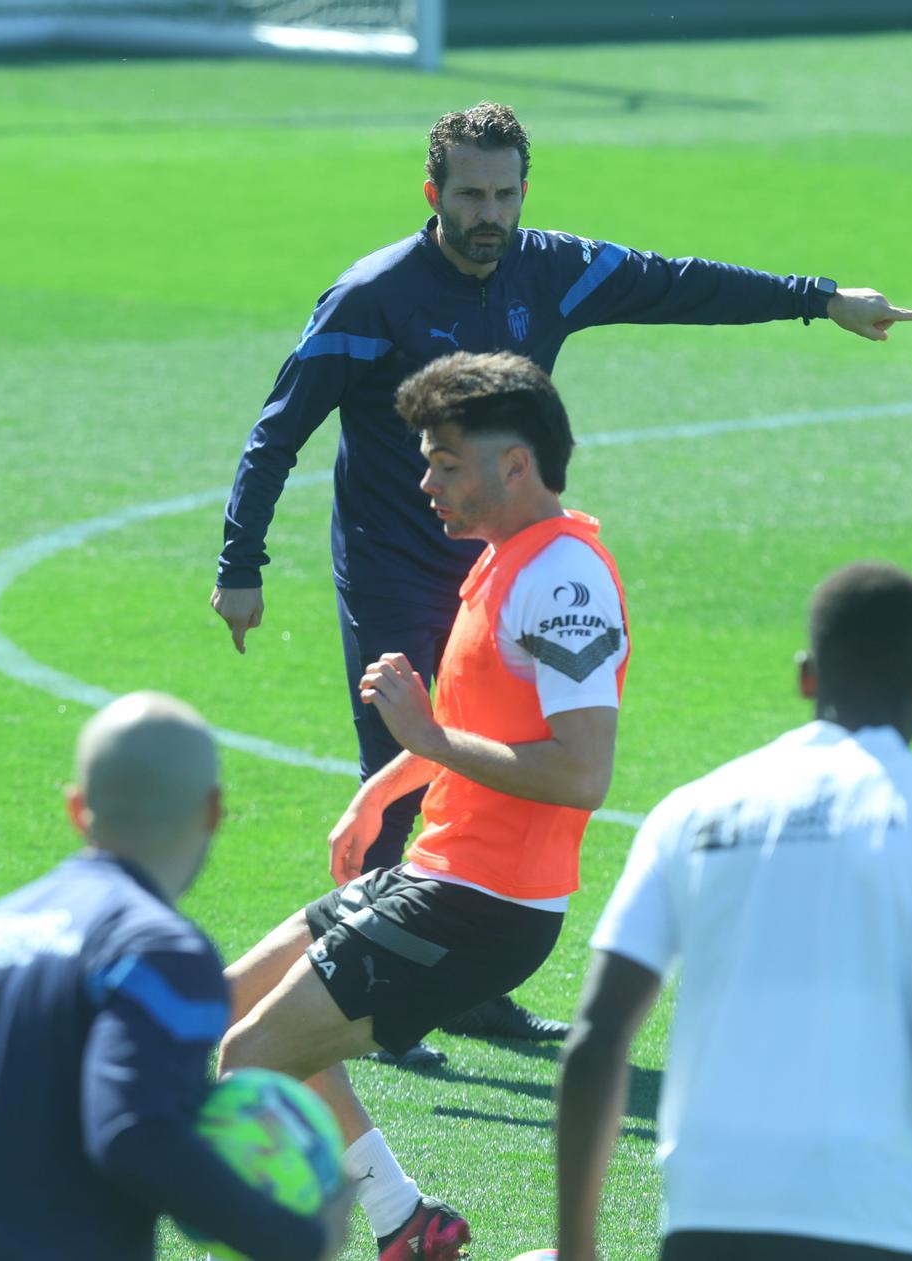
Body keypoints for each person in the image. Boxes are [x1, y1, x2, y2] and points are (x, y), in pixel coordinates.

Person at [210, 100, 912, 1043]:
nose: (489, 213)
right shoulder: (371, 297)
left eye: (505, 193)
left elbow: (678, 283)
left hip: (500, 559)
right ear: (434, 193)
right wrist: (241, 561)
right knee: (397, 757)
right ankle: (376, 980)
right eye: (470, 193)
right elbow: (279, 430)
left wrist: (820, 297)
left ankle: (461, 982)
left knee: (497, 751)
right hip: (392, 562)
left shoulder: (551, 267)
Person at [219, 351, 625, 1261]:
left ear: (515, 464)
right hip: (438, 871)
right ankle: (405, 1221)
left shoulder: (563, 581)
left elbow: (581, 771)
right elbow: (475, 719)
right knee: (229, 1011)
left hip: (485, 904)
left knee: (250, 1062)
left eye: (446, 460)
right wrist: (388, 783)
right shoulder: (500, 560)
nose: (425, 479)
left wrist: (428, 745)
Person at [553, 562, 912, 1261]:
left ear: (807, 675)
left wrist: (575, 1249)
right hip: (876, 1229)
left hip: (704, 1229)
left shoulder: (688, 811)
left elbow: (597, 1037)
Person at [0, 692, 349, 1261]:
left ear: (78, 809)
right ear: (212, 810)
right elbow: (132, 1133)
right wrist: (297, 1238)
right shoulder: (161, 950)